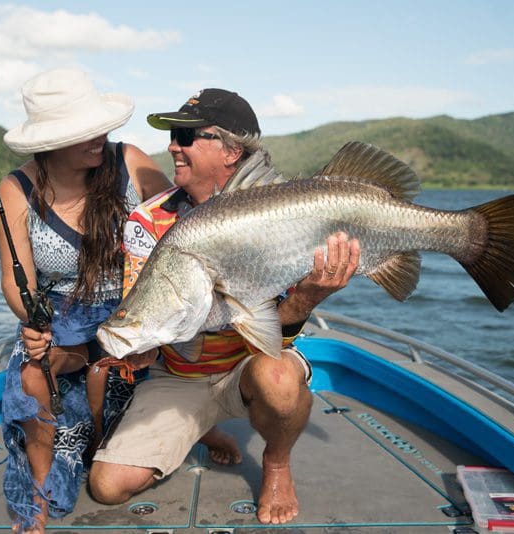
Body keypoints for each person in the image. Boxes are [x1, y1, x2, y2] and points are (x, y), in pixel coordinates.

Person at [87, 89, 361, 525]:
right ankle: (200, 424)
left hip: (249, 366)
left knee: (279, 376)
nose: (173, 145)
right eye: (173, 135)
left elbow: (279, 336)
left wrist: (309, 298)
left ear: (233, 151)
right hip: (177, 374)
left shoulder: (286, 214)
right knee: (106, 487)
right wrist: (143, 345)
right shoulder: (145, 222)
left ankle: (276, 464)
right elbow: (150, 311)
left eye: (187, 135)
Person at [0, 67, 171, 533]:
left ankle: (130, 429)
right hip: (59, 314)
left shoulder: (131, 161)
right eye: (83, 132)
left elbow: (180, 230)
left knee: (146, 384)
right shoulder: (16, 190)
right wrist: (31, 321)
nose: (100, 137)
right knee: (32, 372)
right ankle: (37, 485)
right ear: (50, 141)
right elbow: (17, 282)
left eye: (99, 127)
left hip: (135, 306)